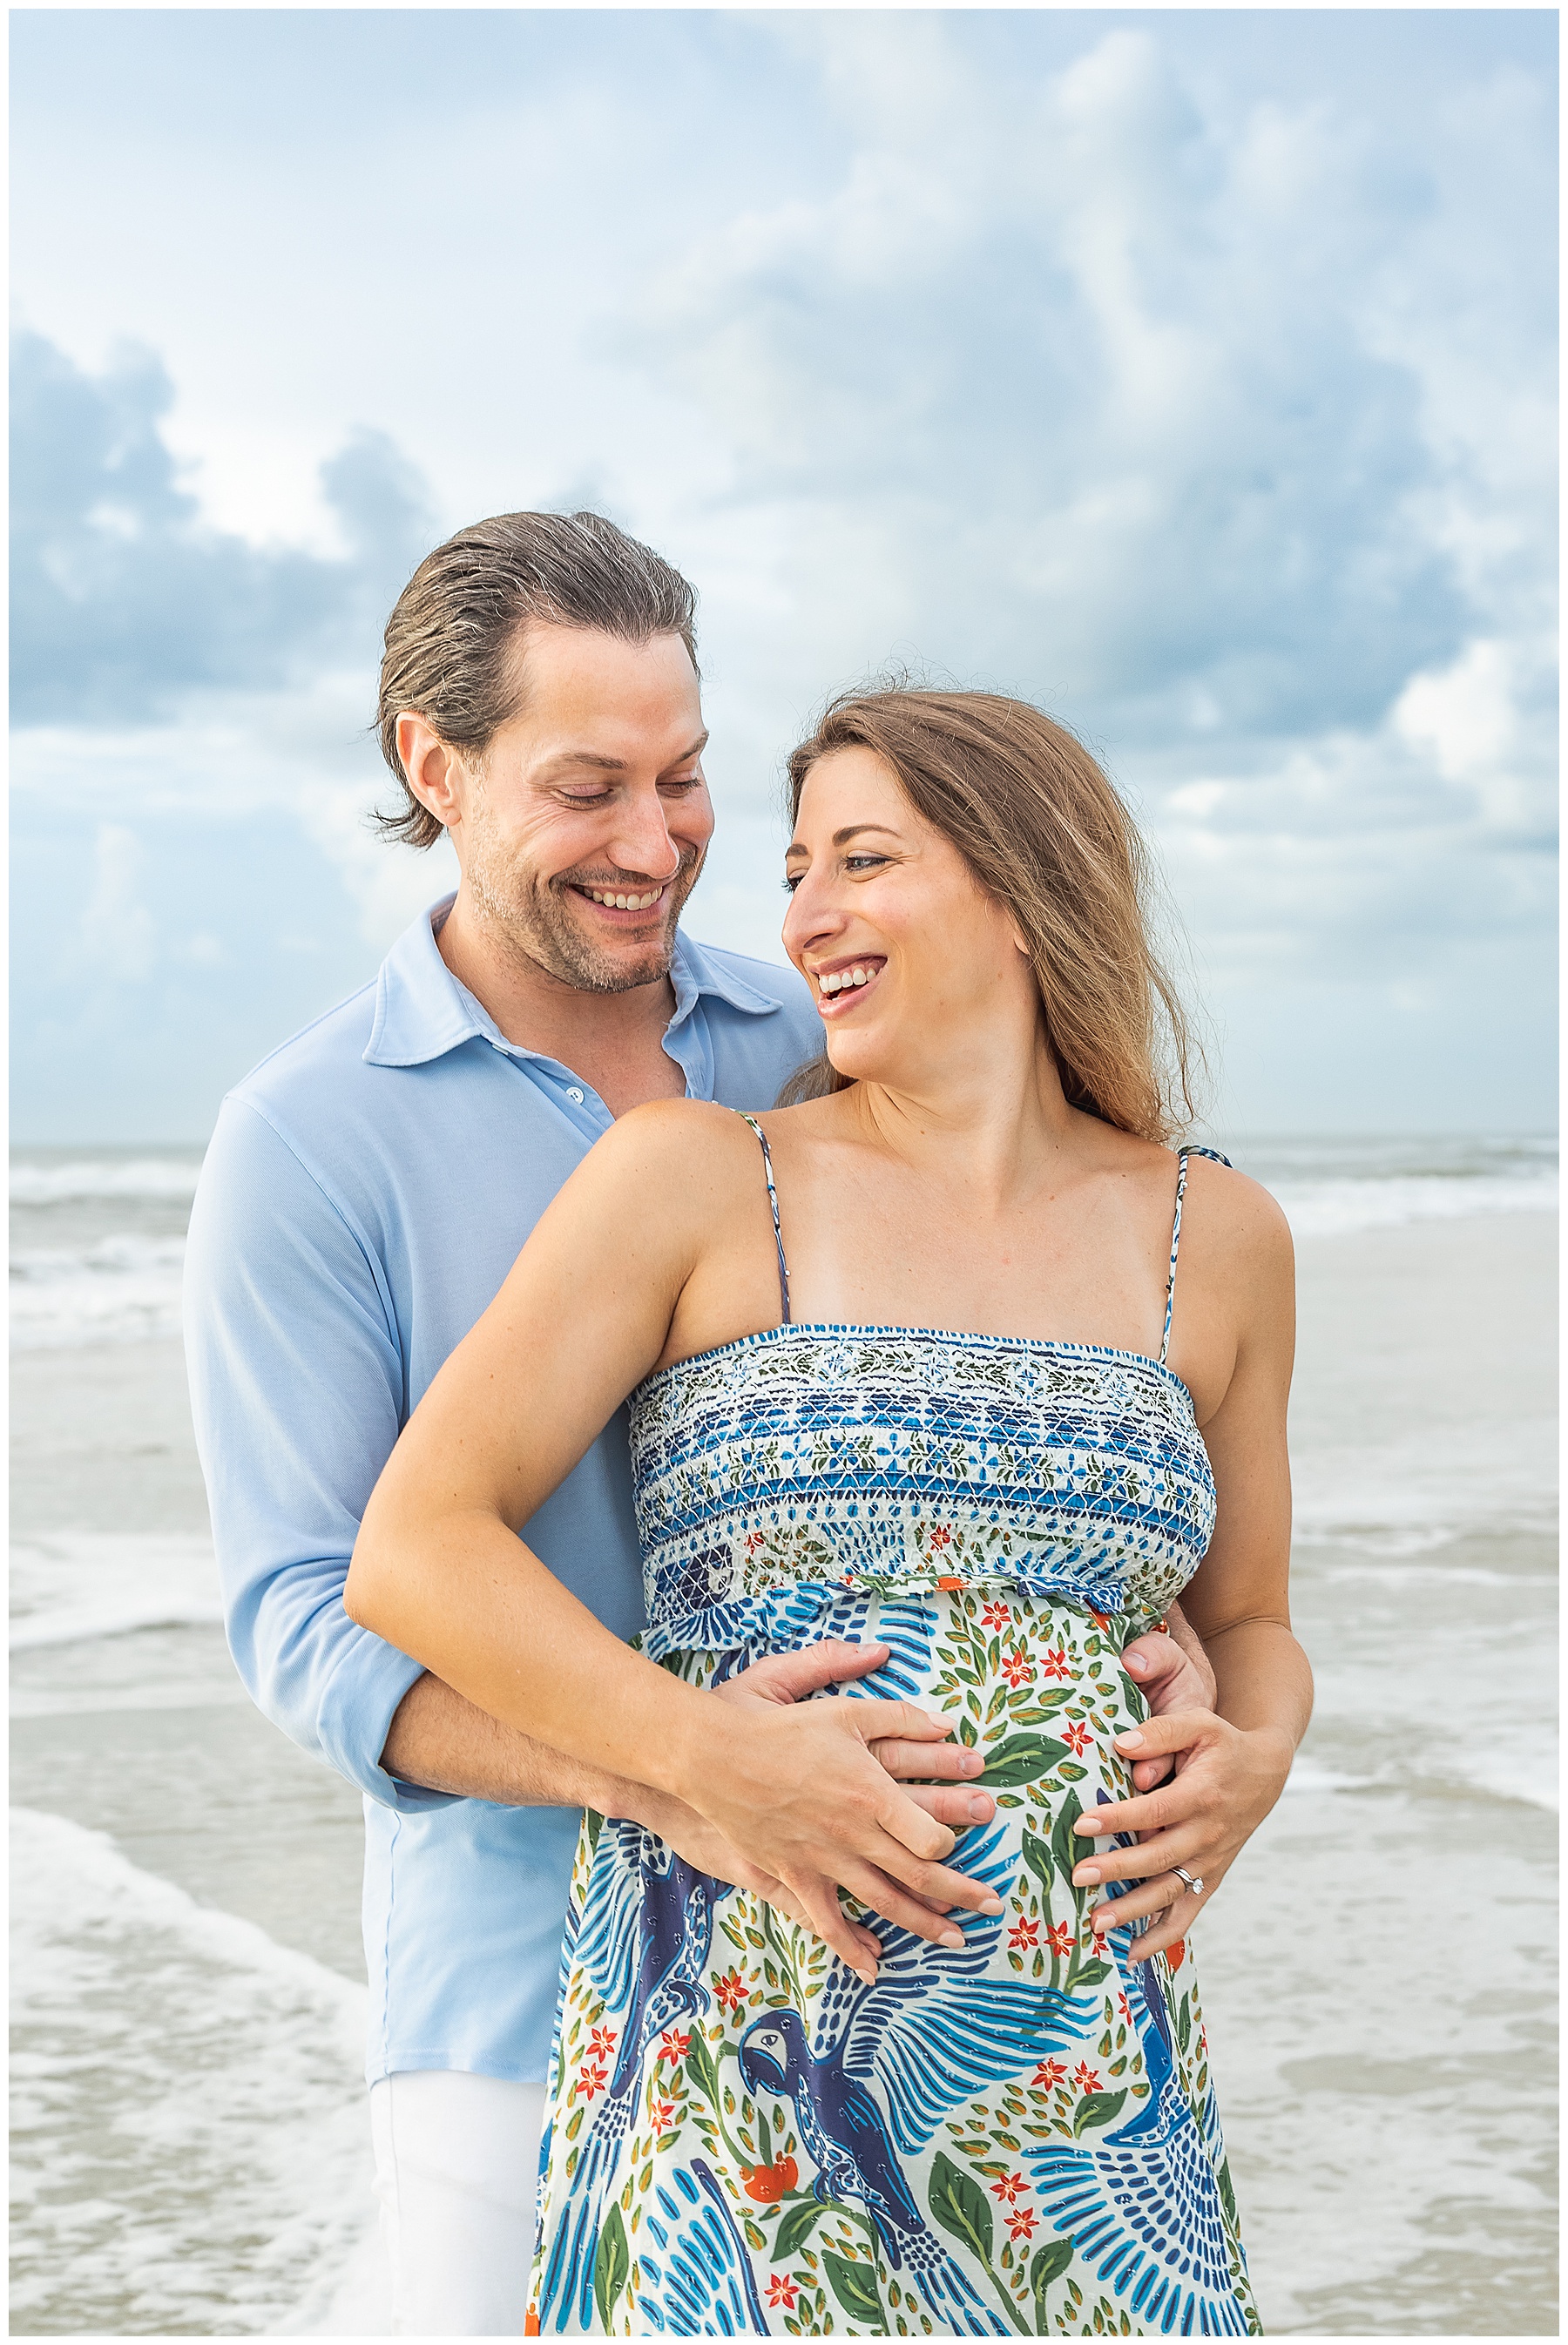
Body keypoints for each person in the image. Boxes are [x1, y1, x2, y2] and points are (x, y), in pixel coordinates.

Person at [184, 516, 1213, 2337]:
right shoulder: (309, 1139)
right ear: (439, 767)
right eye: (590, 785)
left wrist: (1187, 1653)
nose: (660, 843)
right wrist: (683, 1770)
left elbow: (1000, 1388)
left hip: (944, 2010)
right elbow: (308, 1612)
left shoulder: (806, 1043)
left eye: (686, 776)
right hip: (514, 2003)